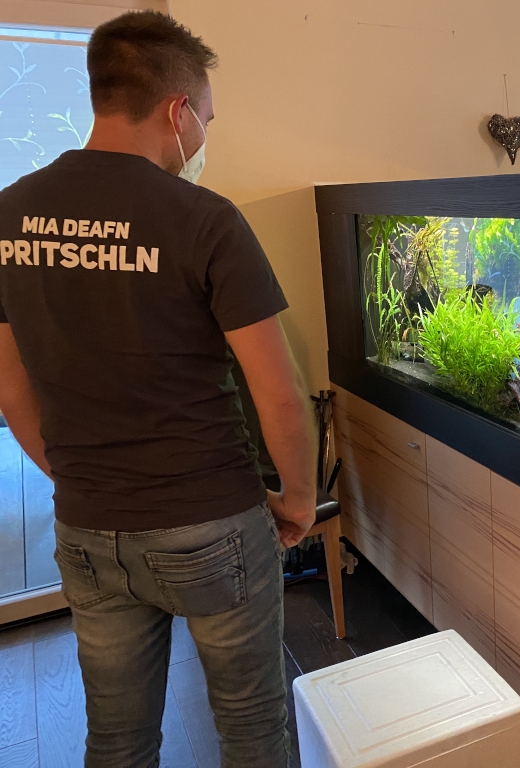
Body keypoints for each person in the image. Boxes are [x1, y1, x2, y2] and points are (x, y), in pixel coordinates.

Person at [0, 10, 317, 768]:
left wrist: (79, 479)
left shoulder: (8, 214)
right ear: (178, 111)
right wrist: (299, 501)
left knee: (117, 740)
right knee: (252, 729)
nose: (203, 137)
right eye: (205, 118)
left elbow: (11, 391)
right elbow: (280, 394)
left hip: (87, 526)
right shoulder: (205, 219)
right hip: (212, 522)